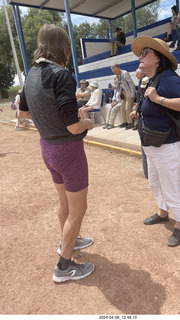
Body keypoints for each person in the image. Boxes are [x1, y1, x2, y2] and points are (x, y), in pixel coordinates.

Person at [19, 24, 95, 282]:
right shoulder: (61, 75)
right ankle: (63, 266)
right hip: (68, 150)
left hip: (47, 148)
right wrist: (87, 122)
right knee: (78, 208)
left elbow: (24, 113)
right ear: (63, 48)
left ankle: (68, 242)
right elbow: (74, 127)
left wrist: (50, 117)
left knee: (64, 204)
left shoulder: (31, 75)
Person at [130, 35, 180, 247]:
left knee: (171, 186)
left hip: (168, 145)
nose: (140, 56)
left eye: (145, 52)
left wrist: (159, 99)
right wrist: (138, 112)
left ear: (158, 58)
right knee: (155, 182)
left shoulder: (167, 78)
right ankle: (162, 212)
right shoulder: (151, 79)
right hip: (152, 144)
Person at [111, 64, 136, 129]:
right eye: (113, 72)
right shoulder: (117, 77)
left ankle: (130, 123)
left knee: (127, 108)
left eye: (115, 71)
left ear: (118, 69)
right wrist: (112, 87)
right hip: (122, 93)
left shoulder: (125, 74)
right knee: (122, 108)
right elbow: (119, 87)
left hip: (128, 92)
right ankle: (125, 122)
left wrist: (133, 94)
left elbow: (131, 84)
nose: (114, 73)